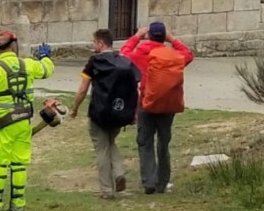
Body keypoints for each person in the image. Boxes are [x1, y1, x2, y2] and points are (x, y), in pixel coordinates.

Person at [0, 30, 55, 211]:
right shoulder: (29, 65)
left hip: (2, 125)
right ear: (14, 47)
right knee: (19, 165)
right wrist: (46, 57)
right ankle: (17, 206)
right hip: (24, 122)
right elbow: (48, 70)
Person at [120, 21, 193, 194]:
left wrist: (137, 36)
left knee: (145, 142)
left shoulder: (141, 53)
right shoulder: (173, 55)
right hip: (169, 104)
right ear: (164, 37)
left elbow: (124, 54)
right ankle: (162, 181)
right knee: (163, 143)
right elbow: (188, 55)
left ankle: (149, 182)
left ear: (149, 35)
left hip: (146, 103)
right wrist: (172, 39)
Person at [68, 29, 140, 198]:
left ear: (100, 43)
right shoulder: (125, 62)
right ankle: (119, 172)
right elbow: (136, 89)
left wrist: (75, 108)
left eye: (94, 42)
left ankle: (107, 190)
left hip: (99, 113)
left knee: (101, 148)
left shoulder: (94, 62)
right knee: (110, 142)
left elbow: (83, 89)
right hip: (120, 112)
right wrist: (133, 113)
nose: (93, 45)